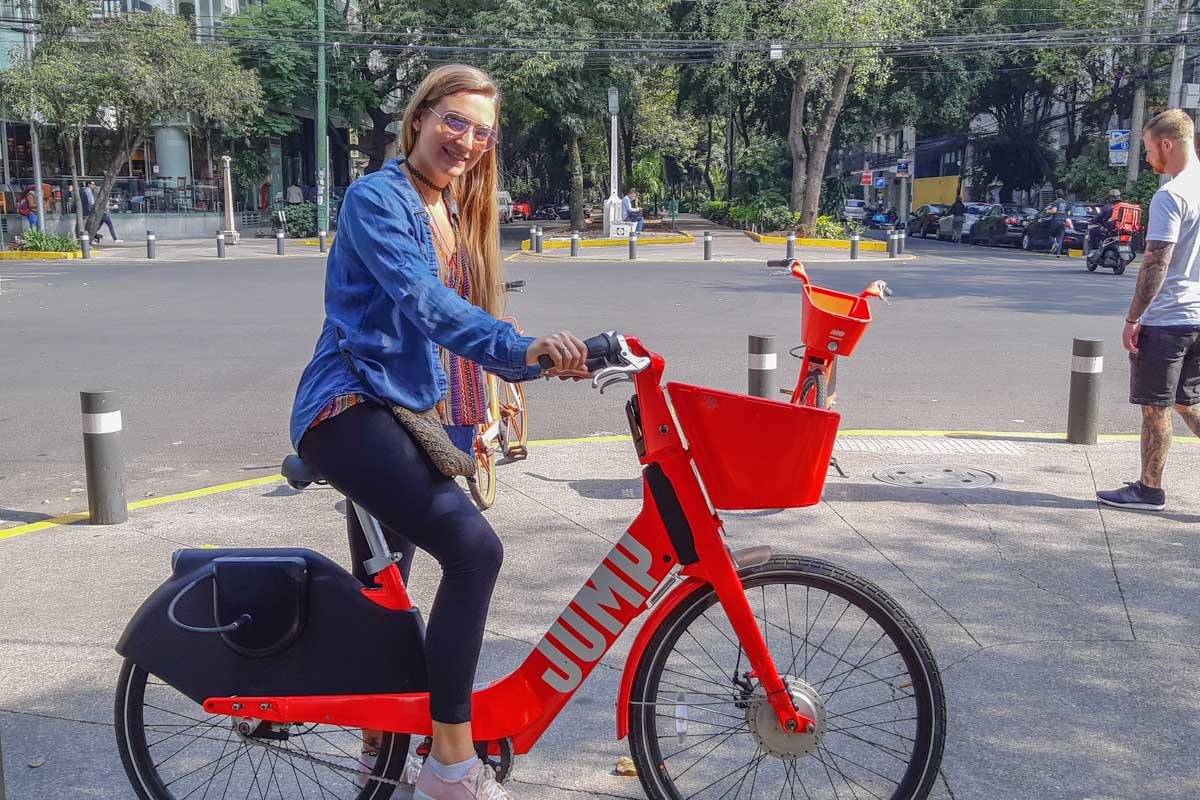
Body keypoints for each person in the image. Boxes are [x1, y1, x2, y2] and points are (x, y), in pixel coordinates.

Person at [289, 64, 588, 800]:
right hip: (349, 408)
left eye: (482, 132)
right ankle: (451, 765)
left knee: (382, 595)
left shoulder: (451, 208)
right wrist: (520, 350)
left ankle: (378, 751)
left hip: (407, 413)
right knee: (475, 552)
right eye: (454, 121)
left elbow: (450, 330)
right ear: (419, 118)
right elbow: (424, 305)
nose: (467, 141)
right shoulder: (377, 198)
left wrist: (514, 380)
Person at [1097, 109, 1200, 511]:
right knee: (1186, 403)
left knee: (1156, 407)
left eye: (1148, 149)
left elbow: (1156, 260)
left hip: (1170, 318)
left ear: (1167, 143)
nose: (1147, 158)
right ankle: (1147, 487)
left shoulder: (1171, 195)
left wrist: (1133, 317)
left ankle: (1148, 489)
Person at [1046, 192, 1068, 256]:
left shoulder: (1056, 202)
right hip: (1063, 220)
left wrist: (1048, 211)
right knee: (1060, 237)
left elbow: (1054, 211)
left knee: (1051, 235)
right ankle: (1058, 252)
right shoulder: (1066, 203)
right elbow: (1069, 213)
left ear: (1056, 195)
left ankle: (1054, 243)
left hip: (1056, 219)